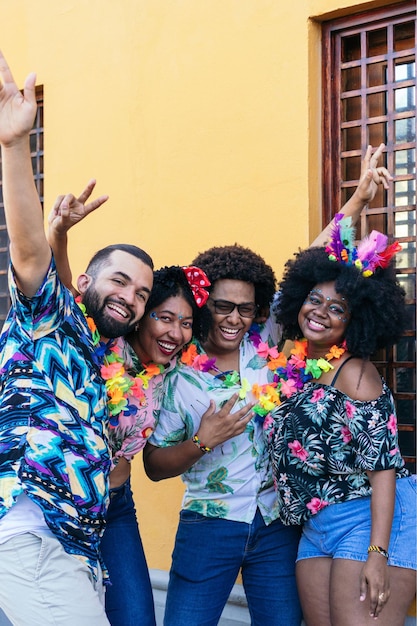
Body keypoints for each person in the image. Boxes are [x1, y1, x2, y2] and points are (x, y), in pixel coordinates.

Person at [142, 144, 393, 626]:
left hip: (277, 524)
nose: (234, 319)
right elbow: (153, 466)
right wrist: (201, 442)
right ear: (203, 306)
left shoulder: (270, 343)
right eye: (221, 307)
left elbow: (313, 264)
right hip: (208, 526)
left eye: (245, 308)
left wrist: (358, 201)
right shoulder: (176, 375)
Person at [0, 50, 154, 625]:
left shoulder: (104, 359)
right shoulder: (50, 319)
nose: (131, 298)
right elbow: (30, 249)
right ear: (84, 281)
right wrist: (15, 147)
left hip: (77, 546)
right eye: (121, 281)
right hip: (31, 533)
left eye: (141, 294)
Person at [48, 187, 212, 626]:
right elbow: (65, 294)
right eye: (163, 317)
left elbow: (262, 312)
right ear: (138, 313)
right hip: (65, 502)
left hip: (117, 508)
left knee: (136, 618)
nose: (176, 333)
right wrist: (59, 235)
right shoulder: (100, 343)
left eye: (186, 324)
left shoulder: (174, 368)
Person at [264, 217, 416, 625]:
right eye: (314, 299)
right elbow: (290, 286)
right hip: (316, 526)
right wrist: (357, 201)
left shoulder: (356, 374)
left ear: (354, 321)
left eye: (337, 309)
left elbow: (383, 469)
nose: (320, 313)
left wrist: (377, 555)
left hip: (369, 519)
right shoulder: (291, 360)